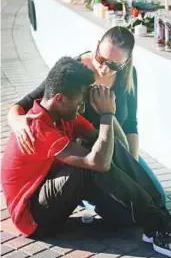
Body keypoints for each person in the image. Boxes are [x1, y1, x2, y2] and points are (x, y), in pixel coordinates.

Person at [2, 57, 171, 257]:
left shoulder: (63, 115)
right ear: (59, 99)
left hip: (51, 190)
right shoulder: (38, 126)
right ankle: (159, 227)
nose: (82, 109)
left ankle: (159, 214)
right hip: (33, 217)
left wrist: (107, 120)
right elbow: (96, 163)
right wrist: (107, 114)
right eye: (80, 103)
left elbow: (108, 146)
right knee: (88, 166)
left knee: (105, 144)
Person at [8, 26, 166, 205]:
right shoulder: (76, 70)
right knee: (123, 205)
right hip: (85, 155)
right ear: (97, 46)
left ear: (125, 62)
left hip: (115, 147)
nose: (104, 68)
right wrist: (15, 121)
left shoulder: (128, 76)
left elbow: (130, 124)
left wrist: (132, 168)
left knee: (157, 196)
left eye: (113, 65)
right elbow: (26, 102)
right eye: (101, 59)